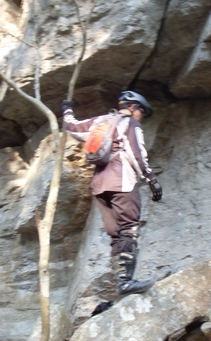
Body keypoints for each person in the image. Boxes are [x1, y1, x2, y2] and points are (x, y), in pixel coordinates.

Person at [61, 90, 163, 297]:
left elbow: (72, 128)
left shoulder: (100, 121)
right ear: (133, 107)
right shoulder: (130, 123)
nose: (140, 118)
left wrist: (67, 110)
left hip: (99, 185)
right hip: (121, 180)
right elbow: (137, 154)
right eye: (141, 113)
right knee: (129, 229)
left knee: (116, 234)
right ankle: (125, 281)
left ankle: (120, 282)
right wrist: (151, 180)